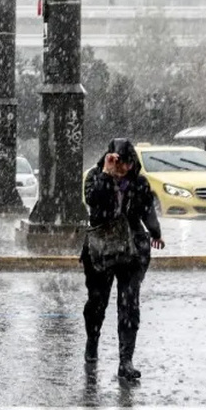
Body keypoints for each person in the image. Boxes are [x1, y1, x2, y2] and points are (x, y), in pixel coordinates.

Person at [81, 137, 165, 381]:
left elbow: (147, 209)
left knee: (129, 304)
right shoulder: (95, 177)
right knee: (97, 302)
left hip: (132, 251)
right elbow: (94, 202)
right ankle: (92, 340)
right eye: (119, 162)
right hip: (101, 249)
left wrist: (155, 232)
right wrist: (107, 175)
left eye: (128, 163)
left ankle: (126, 360)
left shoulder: (139, 182)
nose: (124, 168)